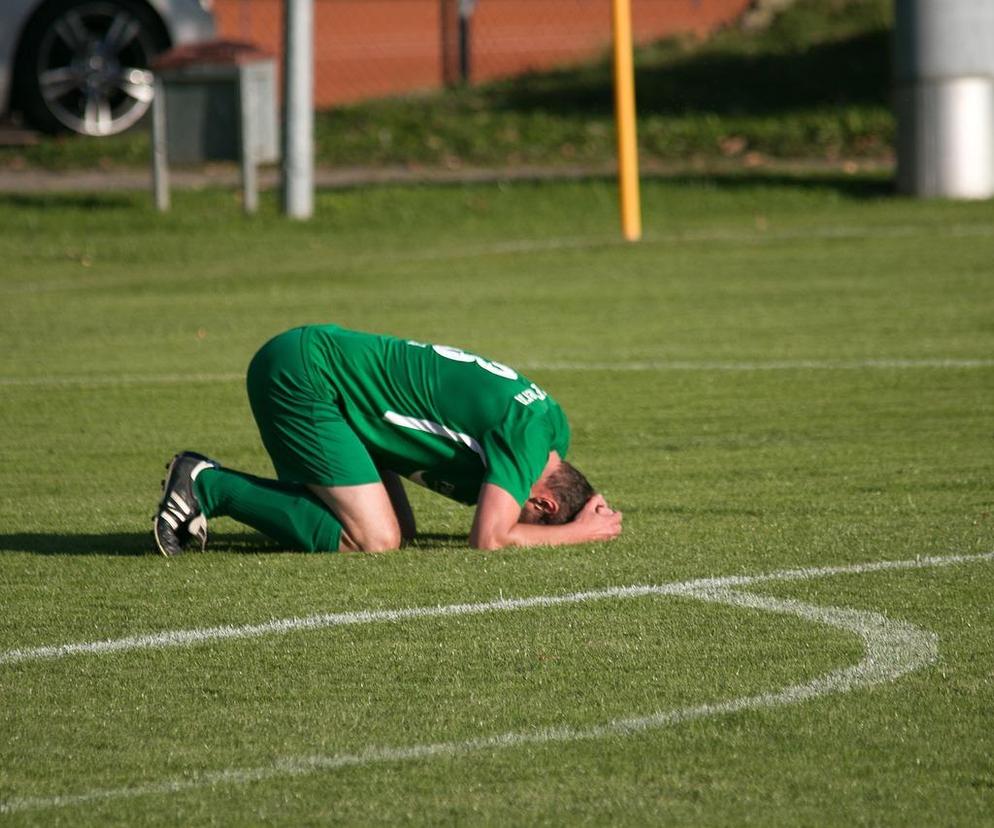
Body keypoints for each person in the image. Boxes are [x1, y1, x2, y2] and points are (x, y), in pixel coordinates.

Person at [153, 324, 622, 555]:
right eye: (534, 517)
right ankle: (206, 485)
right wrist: (579, 532)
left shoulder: (552, 428)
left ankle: (239, 493)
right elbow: (490, 538)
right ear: (543, 506)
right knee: (374, 538)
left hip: (326, 379)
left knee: (399, 528)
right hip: (307, 377)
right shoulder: (527, 441)